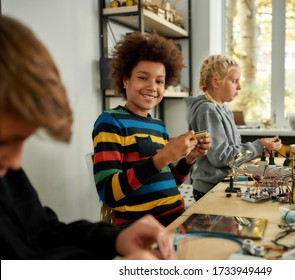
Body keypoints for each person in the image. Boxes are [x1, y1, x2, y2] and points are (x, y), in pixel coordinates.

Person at [0, 15, 174, 260]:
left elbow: (45, 231)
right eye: (4, 142)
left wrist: (115, 239)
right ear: (125, 80)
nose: (17, 162)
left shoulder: (10, 175)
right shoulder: (111, 122)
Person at [92, 32, 210, 227]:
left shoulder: (158, 125)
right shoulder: (110, 122)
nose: (152, 87)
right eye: (143, 77)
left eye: (159, 81)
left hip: (175, 218)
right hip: (141, 229)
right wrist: (163, 157)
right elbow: (108, 193)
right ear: (125, 80)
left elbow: (171, 181)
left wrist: (189, 158)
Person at [185, 54, 282, 201]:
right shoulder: (208, 110)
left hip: (221, 184)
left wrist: (260, 148)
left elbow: (232, 148)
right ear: (216, 82)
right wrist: (257, 147)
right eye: (234, 81)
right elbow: (221, 157)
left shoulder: (223, 109)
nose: (239, 86)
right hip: (210, 190)